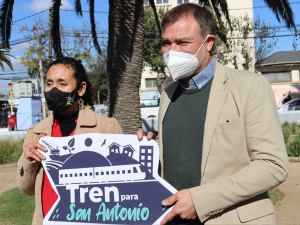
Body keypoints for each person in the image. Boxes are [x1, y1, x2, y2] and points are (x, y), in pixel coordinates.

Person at [137, 3, 288, 224]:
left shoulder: (250, 86)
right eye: (166, 43)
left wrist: (200, 200)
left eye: (183, 42)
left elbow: (273, 165)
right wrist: (147, 149)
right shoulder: (168, 93)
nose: (172, 52)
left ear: (208, 43)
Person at [17, 57, 122, 225]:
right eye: (49, 83)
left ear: (80, 89)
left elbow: (125, 183)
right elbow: (27, 190)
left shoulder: (106, 127)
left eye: (62, 83)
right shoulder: (35, 132)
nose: (53, 90)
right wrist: (28, 160)